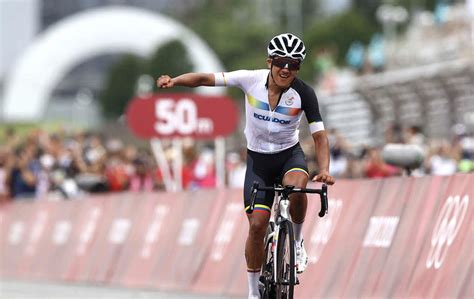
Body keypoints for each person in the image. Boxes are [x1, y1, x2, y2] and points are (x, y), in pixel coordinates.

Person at [157, 33, 335, 299]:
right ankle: (253, 292)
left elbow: (320, 137)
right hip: (258, 161)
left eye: (294, 64)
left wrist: (325, 169)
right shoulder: (250, 80)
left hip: (289, 156)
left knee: (298, 187)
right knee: (257, 226)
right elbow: (207, 79)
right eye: (281, 62)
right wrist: (175, 80)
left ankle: (297, 243)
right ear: (269, 62)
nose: (287, 68)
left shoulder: (304, 94)